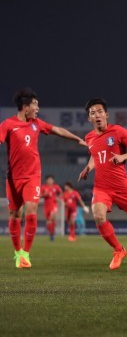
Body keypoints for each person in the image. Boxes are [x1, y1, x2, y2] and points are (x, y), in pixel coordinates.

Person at [0, 88, 86, 268]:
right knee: (15, 214)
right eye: (35, 105)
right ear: (25, 107)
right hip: (13, 178)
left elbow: (58, 130)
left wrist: (77, 139)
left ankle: (26, 254)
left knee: (31, 210)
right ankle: (17, 253)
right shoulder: (8, 124)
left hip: (33, 176)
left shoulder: (36, 124)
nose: (38, 108)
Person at [78, 98, 127, 272]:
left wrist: (123, 157)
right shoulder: (89, 137)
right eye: (93, 113)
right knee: (99, 216)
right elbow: (95, 154)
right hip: (102, 187)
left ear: (106, 114)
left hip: (122, 187)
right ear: (89, 119)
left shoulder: (118, 131)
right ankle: (119, 250)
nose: (97, 115)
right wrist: (88, 167)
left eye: (100, 111)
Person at [41, 175, 63, 241]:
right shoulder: (43, 187)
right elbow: (39, 195)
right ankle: (51, 233)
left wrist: (58, 198)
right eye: (48, 179)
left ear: (53, 181)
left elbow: (61, 193)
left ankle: (52, 233)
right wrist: (44, 194)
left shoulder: (56, 187)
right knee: (49, 221)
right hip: (46, 206)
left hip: (54, 205)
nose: (50, 181)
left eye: (51, 179)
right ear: (46, 180)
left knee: (52, 217)